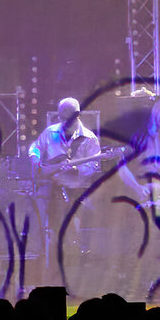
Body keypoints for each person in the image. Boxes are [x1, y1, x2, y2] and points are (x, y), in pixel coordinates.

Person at [27, 97, 101, 254]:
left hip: (78, 188)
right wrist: (35, 158)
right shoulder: (50, 132)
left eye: (66, 118)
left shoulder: (89, 138)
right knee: (37, 208)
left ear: (77, 115)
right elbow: (35, 147)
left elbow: (94, 164)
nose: (62, 121)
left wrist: (77, 170)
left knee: (80, 213)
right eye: (60, 117)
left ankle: (76, 249)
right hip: (53, 186)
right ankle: (41, 250)